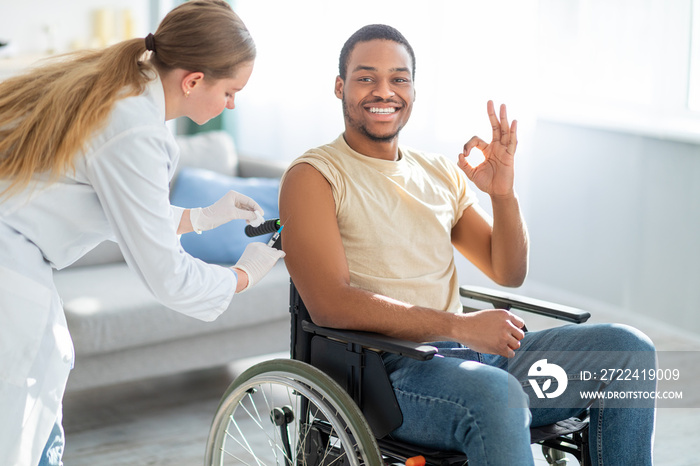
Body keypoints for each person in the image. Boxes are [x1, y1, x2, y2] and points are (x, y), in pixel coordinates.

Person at [279, 24, 656, 465]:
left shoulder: (439, 172)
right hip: (387, 376)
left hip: (475, 361)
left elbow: (508, 271)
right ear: (340, 86)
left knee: (629, 349)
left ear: (414, 91)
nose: (384, 91)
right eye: (366, 78)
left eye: (399, 78)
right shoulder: (313, 176)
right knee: (497, 392)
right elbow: (330, 305)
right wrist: (458, 326)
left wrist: (503, 194)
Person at [0, 2, 285, 465]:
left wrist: (201, 218)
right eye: (231, 91)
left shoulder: (120, 88)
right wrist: (244, 275)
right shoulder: (135, 129)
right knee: (23, 421)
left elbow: (115, 206)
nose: (232, 104)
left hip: (13, 252)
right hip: (9, 265)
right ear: (193, 81)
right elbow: (168, 277)